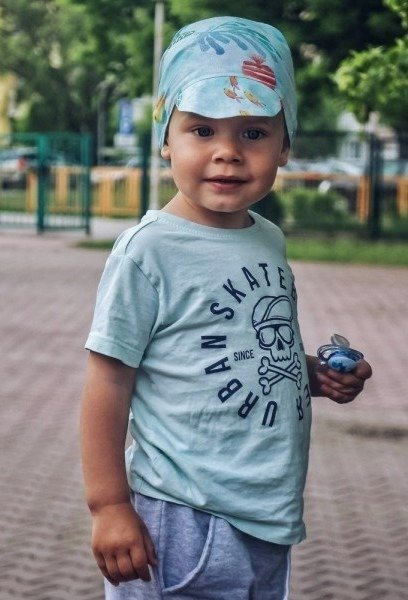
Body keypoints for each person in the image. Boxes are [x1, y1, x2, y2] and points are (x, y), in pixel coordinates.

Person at [81, 16, 372, 600]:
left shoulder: (267, 240)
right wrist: (109, 505)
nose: (227, 154)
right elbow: (107, 382)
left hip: (266, 515)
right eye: (203, 129)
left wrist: (312, 374)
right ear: (166, 138)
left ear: (284, 145)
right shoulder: (149, 251)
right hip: (179, 515)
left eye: (254, 133)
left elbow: (250, 351)